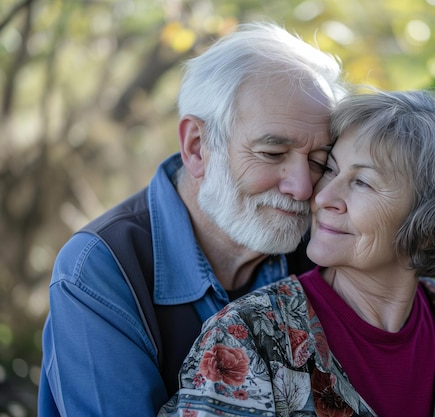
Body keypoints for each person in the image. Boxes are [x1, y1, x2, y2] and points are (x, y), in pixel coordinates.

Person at [158, 89, 435, 417]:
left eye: (362, 183)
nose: (323, 196)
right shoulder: (250, 337)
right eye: (329, 169)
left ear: (434, 225)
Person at [38, 22, 346, 416]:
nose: (303, 188)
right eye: (272, 154)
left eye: (319, 161)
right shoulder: (102, 269)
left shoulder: (324, 246)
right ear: (197, 147)